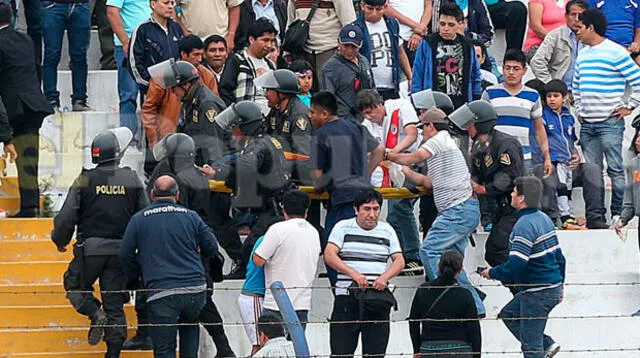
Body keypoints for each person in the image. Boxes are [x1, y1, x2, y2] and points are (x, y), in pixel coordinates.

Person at [52, 127, 149, 357]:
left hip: (90, 251)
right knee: (115, 304)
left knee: (74, 287)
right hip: (121, 252)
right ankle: (112, 354)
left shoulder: (85, 179)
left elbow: (67, 216)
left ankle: (95, 314)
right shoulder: (132, 178)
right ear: (117, 153)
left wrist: (60, 239)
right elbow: (143, 215)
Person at [386, 107, 486, 317]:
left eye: (423, 128)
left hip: (456, 210)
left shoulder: (440, 138)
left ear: (431, 126)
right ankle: (473, 304)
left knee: (429, 251)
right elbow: (428, 182)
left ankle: (447, 298)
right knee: (452, 262)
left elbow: (414, 156)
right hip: (461, 210)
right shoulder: (444, 147)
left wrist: (388, 155)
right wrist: (405, 171)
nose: (422, 133)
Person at [120, 175, 219, 358]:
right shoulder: (191, 216)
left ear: (152, 194)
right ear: (178, 195)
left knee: (164, 350)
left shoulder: (139, 219)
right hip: (194, 291)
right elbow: (212, 247)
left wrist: (136, 278)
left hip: (161, 292)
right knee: (190, 343)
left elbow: (125, 254)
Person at [200, 100, 290, 278]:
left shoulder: (258, 145)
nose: (232, 130)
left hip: (274, 208)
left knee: (251, 246)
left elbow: (246, 165)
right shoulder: (260, 142)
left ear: (245, 127)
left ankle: (247, 272)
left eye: (236, 126)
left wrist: (217, 172)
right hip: (268, 205)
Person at [481, 176, 566, 358]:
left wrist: (493, 273)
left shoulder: (524, 225)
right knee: (509, 315)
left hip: (536, 291)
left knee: (530, 347)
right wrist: (561, 287)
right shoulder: (543, 219)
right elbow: (560, 258)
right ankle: (547, 344)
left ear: (521, 198)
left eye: (514, 191)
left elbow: (517, 264)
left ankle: (541, 346)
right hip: (550, 286)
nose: (511, 194)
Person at [309, 91, 384, 286]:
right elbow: (379, 151)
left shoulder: (320, 135)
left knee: (334, 250)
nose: (310, 117)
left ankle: (342, 296)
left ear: (324, 114)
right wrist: (364, 175)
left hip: (342, 201)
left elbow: (317, 178)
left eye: (312, 112)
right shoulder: (356, 127)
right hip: (365, 198)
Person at [574, 8, 640, 219]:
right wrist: (578, 107)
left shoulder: (616, 52)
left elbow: (637, 79)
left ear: (591, 28)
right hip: (587, 123)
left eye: (580, 28)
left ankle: (618, 214)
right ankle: (595, 216)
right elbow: (576, 85)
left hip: (610, 121)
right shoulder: (582, 53)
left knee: (615, 169)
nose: (577, 32)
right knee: (592, 172)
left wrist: (630, 106)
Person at [324, 188, 404, 358]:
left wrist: (385, 277)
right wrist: (354, 274)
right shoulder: (343, 226)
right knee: (341, 353)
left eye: (376, 209)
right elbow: (329, 255)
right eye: (367, 209)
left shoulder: (387, 229)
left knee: (375, 354)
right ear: (356, 209)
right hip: (347, 298)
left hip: (376, 298)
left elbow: (399, 261)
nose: (372, 214)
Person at [450, 100, 524, 269]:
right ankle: (520, 287)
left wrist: (484, 189)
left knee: (496, 250)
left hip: (515, 207)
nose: (467, 127)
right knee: (495, 251)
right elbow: (477, 173)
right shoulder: (478, 148)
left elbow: (510, 176)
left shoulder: (505, 144)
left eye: (471, 124)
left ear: (481, 124)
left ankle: (523, 286)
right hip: (499, 208)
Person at [355, 89, 421, 272]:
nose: (368, 117)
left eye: (370, 112)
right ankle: (403, 257)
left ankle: (413, 255)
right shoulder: (366, 125)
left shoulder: (400, 106)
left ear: (379, 105)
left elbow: (412, 134)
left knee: (401, 206)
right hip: (386, 168)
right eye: (364, 114)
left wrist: (393, 152)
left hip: (412, 161)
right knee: (392, 215)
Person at [0, 2, 54, 217]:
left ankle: (29, 207)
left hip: (15, 105)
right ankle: (30, 206)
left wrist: (6, 137)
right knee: (29, 158)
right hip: (34, 103)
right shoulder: (25, 38)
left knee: (22, 153)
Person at [537, 80, 608, 229]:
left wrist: (576, 155)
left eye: (556, 96)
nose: (552, 99)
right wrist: (549, 159)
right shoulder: (542, 116)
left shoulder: (568, 117)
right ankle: (564, 217)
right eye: (549, 96)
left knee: (592, 169)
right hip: (553, 163)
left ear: (565, 98)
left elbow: (571, 141)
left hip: (569, 162)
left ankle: (595, 217)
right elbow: (540, 141)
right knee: (562, 186)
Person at [253, 190, 320, 327]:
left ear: (283, 209)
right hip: (302, 304)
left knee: (272, 347)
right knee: (296, 347)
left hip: (275, 304)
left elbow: (258, 260)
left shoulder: (278, 229)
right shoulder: (314, 232)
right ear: (306, 211)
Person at [141, 35, 219, 153]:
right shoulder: (164, 75)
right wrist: (154, 140)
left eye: (201, 55)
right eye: (195, 54)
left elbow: (213, 109)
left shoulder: (207, 75)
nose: (199, 59)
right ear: (184, 54)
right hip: (166, 137)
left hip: (195, 139)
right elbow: (149, 110)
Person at [482, 49, 553, 176]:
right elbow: (481, 125)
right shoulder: (489, 93)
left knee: (524, 192)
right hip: (495, 155)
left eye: (516, 68)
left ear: (524, 71)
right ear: (502, 69)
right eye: (507, 68)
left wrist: (547, 157)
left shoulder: (532, 95)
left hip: (523, 156)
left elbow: (539, 129)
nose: (511, 72)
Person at [150, 58, 229, 166]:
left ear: (186, 85)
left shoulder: (206, 105)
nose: (173, 92)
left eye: (174, 88)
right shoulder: (191, 99)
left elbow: (213, 146)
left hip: (210, 166)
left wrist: (210, 174)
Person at [409, 250, 481, 358]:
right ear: (460, 270)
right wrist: (476, 355)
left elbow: (413, 322)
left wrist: (417, 349)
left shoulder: (423, 290)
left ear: (438, 265)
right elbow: (474, 329)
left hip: (429, 348)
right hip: (459, 349)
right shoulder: (465, 294)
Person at [411, 2, 483, 109]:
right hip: (433, 104)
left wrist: (475, 99)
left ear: (460, 23)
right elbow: (417, 74)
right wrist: (419, 104)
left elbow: (475, 74)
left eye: (451, 25)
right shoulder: (428, 43)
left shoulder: (467, 45)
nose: (446, 28)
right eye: (442, 24)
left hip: (461, 103)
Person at [261, 69, 313, 183]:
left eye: (269, 90)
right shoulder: (276, 110)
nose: (265, 94)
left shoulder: (299, 115)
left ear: (282, 93)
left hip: (297, 178)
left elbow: (303, 156)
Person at [354, 0, 412, 100]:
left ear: (385, 7)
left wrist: (410, 77)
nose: (374, 13)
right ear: (362, 6)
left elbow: (400, 52)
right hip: (368, 87)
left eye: (378, 9)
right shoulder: (356, 28)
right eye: (370, 8)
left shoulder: (392, 23)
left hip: (392, 85)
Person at [286, 0, 356, 81]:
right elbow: (290, 22)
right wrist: (287, 51)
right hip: (302, 49)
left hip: (329, 49)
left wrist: (349, 50)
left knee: (328, 89)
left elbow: (349, 24)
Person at [41, 0, 92, 111]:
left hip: (80, 4)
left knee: (80, 55)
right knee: (52, 55)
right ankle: (51, 100)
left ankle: (79, 100)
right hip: (54, 5)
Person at [107, 0, 148, 136]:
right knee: (128, 95)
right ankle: (128, 138)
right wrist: (125, 42)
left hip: (151, 42)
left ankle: (149, 138)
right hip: (128, 43)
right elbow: (112, 12)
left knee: (152, 94)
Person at [320, 24, 376, 121]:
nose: (349, 50)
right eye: (346, 46)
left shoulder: (364, 61)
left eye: (354, 47)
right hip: (344, 120)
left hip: (367, 117)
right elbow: (327, 100)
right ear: (338, 43)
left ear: (360, 46)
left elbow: (372, 88)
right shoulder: (330, 68)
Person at [220, 18, 277, 110]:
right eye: (265, 40)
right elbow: (225, 91)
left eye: (272, 41)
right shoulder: (237, 60)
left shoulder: (271, 65)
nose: (269, 45)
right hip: (243, 118)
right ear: (251, 39)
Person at [129, 0, 184, 95]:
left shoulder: (176, 28)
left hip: (176, 91)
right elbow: (134, 63)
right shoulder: (142, 30)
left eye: (172, 3)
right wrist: (150, 84)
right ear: (153, 4)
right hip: (152, 92)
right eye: (166, 3)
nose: (170, 6)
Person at [530, 0, 588, 90]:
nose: (577, 19)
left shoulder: (591, 37)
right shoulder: (555, 35)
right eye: (573, 15)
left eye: (580, 15)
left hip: (584, 91)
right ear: (566, 16)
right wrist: (551, 85)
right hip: (561, 94)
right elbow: (537, 62)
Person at [175, 0, 242, 51]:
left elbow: (234, 7)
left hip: (221, 41)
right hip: (191, 43)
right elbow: (171, 7)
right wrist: (184, 32)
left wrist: (231, 35)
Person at [238, 235, 266, 355]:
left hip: (257, 295)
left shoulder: (263, 239)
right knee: (260, 343)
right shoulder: (267, 241)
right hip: (255, 297)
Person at [430, 0, 495, 46]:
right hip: (444, 47)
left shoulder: (478, 2)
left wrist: (468, 37)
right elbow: (436, 31)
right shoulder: (439, 1)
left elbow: (489, 36)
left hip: (472, 47)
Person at [386, 0, 432, 66]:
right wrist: (416, 26)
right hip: (396, 38)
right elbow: (384, 8)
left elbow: (428, 6)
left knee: (419, 74)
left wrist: (419, 32)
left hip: (419, 39)